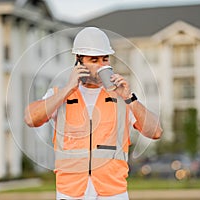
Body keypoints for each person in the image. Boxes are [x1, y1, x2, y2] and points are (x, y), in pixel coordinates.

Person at [24, 27, 163, 200]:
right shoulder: (60, 95)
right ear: (79, 61)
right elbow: (30, 118)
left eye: (105, 59)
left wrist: (129, 97)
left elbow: (156, 131)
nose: (102, 65)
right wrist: (68, 89)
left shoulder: (122, 98)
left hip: (112, 192)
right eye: (94, 60)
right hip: (71, 192)